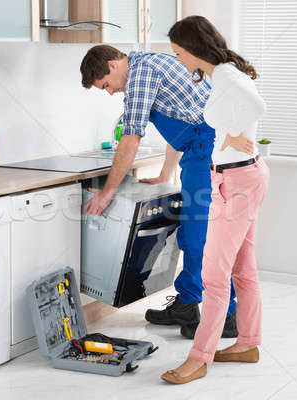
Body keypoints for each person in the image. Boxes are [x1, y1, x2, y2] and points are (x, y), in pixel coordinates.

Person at [80, 45, 253, 338]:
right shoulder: (150, 61)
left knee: (203, 238)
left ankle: (228, 314)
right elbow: (183, 123)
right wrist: (164, 173)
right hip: (199, 150)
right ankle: (187, 303)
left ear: (112, 64)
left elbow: (130, 138)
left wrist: (108, 191)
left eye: (106, 85)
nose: (110, 92)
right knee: (192, 233)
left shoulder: (139, 75)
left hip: (206, 153)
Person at [160, 16, 270, 384]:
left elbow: (257, 105)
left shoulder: (225, 76)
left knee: (214, 275)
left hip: (236, 181)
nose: (178, 60)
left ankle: (199, 358)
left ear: (192, 48)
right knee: (243, 270)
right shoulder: (220, 74)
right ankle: (248, 343)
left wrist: (229, 137)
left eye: (178, 53)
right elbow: (233, 116)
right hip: (243, 175)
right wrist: (228, 137)